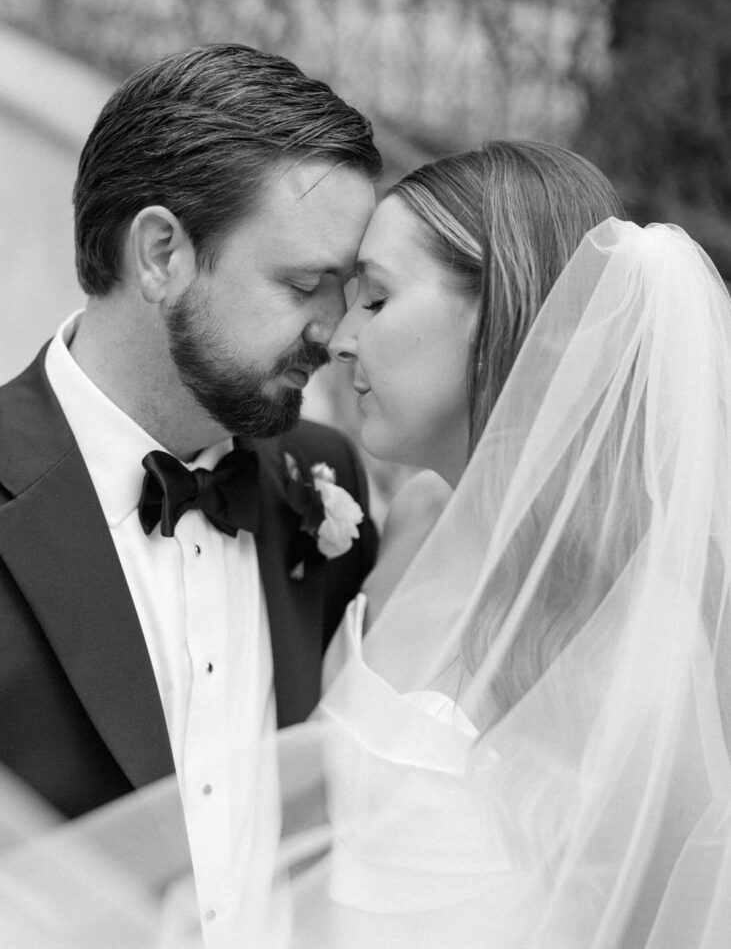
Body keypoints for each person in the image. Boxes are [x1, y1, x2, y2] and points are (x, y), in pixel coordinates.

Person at [280, 140, 730, 948]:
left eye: (376, 300)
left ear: (503, 314)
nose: (340, 338)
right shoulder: (416, 516)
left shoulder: (632, 636)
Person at [0, 42, 381, 946]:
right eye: (301, 285)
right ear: (163, 252)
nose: (331, 333)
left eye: (349, 290)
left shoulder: (323, 485)